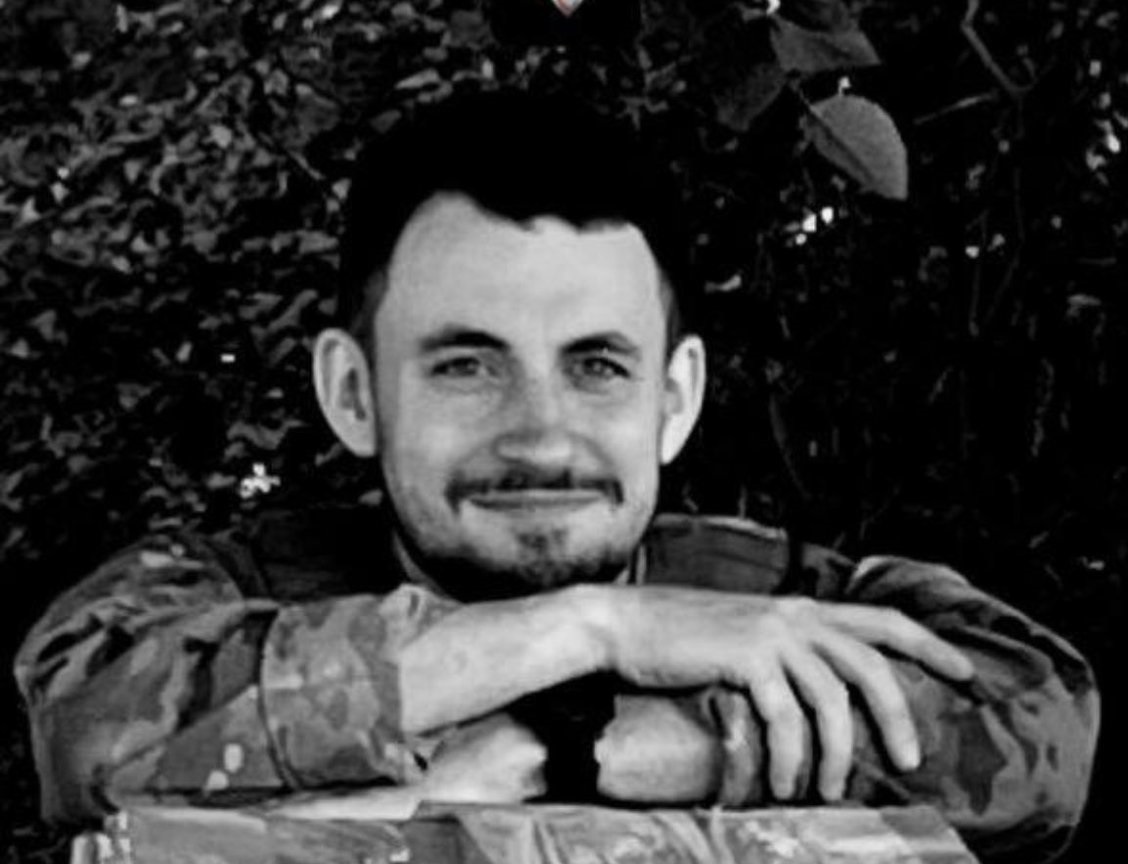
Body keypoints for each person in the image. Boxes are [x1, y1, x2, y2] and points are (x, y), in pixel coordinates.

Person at [14, 91, 1097, 864]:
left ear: (674, 398)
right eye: (468, 366)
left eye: (596, 366)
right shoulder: (221, 591)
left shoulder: (774, 600)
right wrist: (594, 631)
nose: (541, 437)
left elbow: (1042, 732)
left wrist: (569, 754)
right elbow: (91, 733)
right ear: (353, 394)